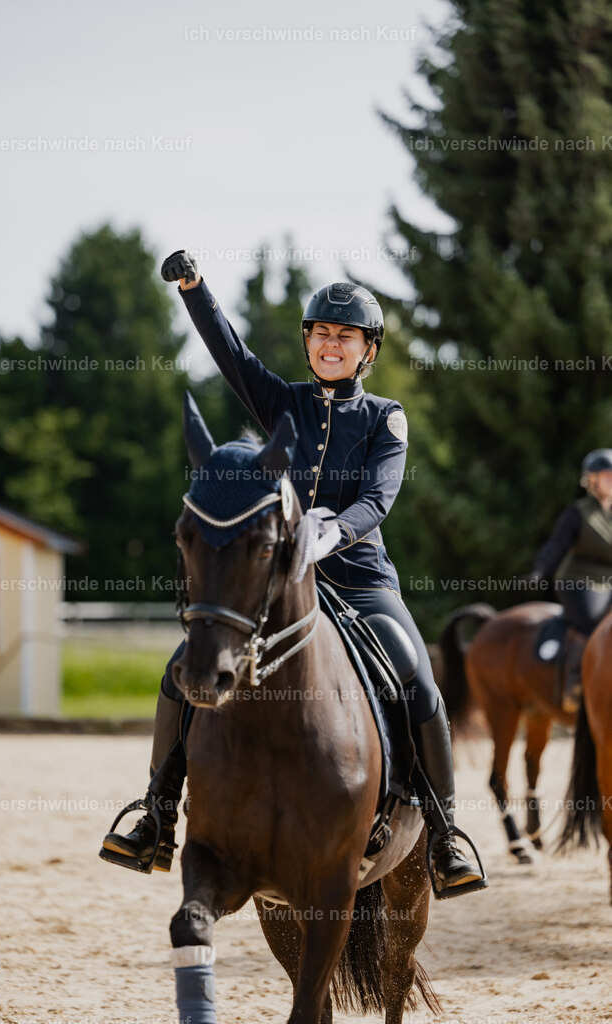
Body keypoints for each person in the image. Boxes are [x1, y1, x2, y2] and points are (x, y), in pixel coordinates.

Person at [101, 249, 485, 897]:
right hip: (278, 585)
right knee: (180, 670)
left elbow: (379, 498)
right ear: (307, 342)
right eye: (321, 333)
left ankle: (446, 835)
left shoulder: (385, 417)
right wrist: (194, 289)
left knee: (419, 680)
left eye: (345, 336)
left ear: (367, 350)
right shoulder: (282, 401)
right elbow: (230, 355)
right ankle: (157, 815)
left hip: (360, 580)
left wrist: (335, 531)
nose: (331, 344)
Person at [531, 449, 612, 710]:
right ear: (592, 480)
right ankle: (576, 682)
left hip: (609, 584)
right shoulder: (578, 512)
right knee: (594, 625)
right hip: (578, 582)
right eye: (607, 476)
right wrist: (540, 569)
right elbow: (557, 544)